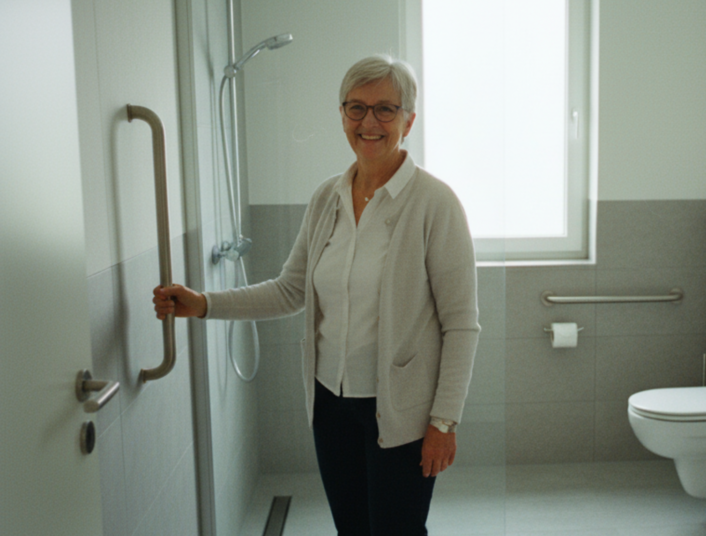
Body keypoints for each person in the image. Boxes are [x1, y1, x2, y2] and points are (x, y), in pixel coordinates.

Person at [153, 54, 480, 535]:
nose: (369, 122)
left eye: (385, 109)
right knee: (352, 529)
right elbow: (290, 290)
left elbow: (461, 325)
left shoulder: (435, 203)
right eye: (356, 108)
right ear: (342, 115)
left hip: (402, 413)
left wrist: (444, 422)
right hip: (330, 405)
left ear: (409, 120)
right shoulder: (328, 197)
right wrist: (205, 304)